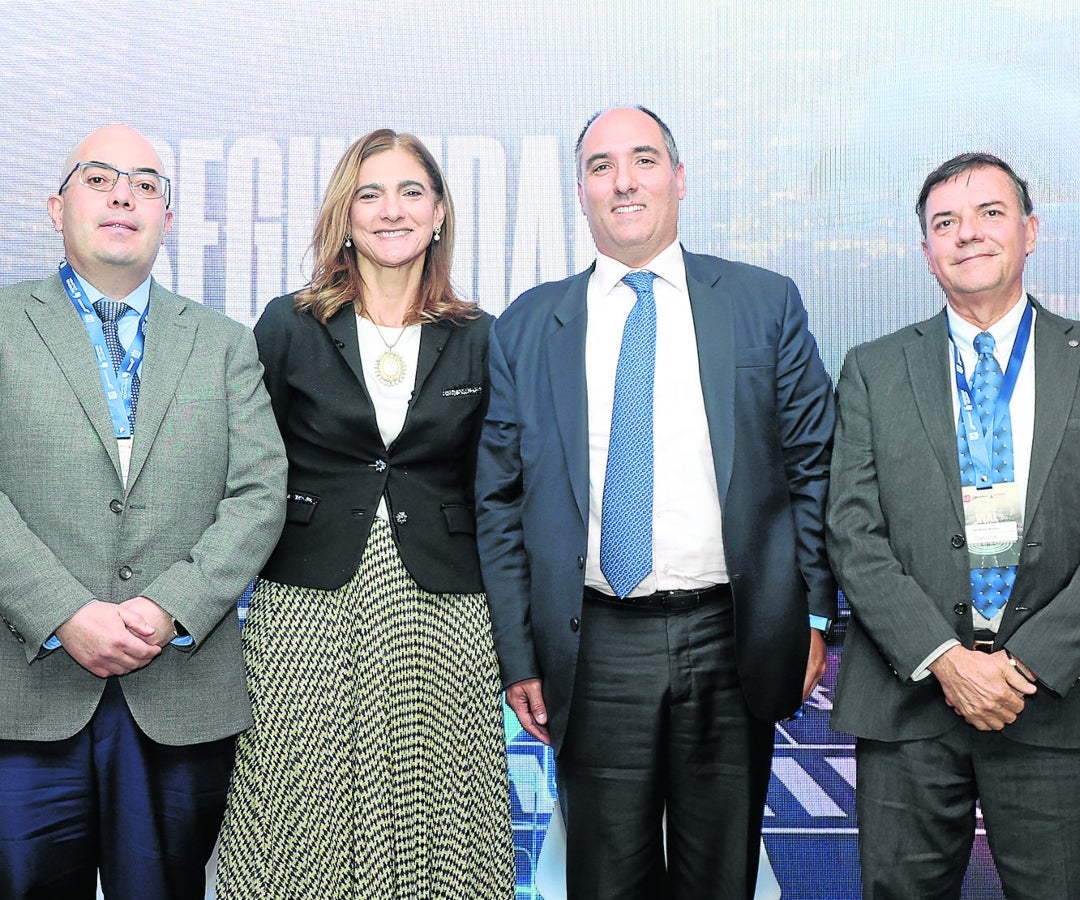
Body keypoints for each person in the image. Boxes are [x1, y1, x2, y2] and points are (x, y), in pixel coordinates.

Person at [475, 106, 836, 899]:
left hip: (731, 634)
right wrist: (520, 654)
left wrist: (812, 617)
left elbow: (815, 468)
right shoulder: (529, 325)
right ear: (580, 192)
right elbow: (497, 502)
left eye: (643, 160)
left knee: (720, 877)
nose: (624, 181)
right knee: (605, 880)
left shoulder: (763, 303)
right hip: (595, 643)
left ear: (678, 179)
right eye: (602, 166)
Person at [215, 129, 515, 900]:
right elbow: (243, 471)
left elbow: (502, 486)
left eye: (411, 191)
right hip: (306, 605)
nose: (391, 210)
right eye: (370, 193)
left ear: (440, 211)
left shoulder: (482, 336)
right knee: (296, 805)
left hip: (446, 609)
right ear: (344, 215)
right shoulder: (287, 325)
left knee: (441, 809)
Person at [0, 125, 287, 900]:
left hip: (179, 694)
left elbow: (261, 493)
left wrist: (170, 607)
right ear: (56, 208)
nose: (124, 194)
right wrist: (62, 611)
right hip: (24, 694)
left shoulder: (226, 343)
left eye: (146, 183)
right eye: (100, 178)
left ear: (167, 217)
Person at [828, 152, 1080, 898]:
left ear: (1030, 231)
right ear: (926, 249)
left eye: (990, 214)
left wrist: (1025, 664)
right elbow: (851, 531)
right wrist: (945, 657)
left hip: (1055, 704)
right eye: (946, 223)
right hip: (911, 705)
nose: (967, 235)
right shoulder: (873, 369)